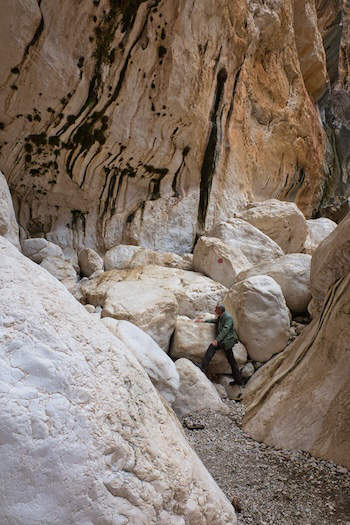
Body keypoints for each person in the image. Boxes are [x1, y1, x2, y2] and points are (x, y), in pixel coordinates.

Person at [196, 304, 244, 388]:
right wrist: (204, 321)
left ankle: (203, 366)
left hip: (228, 341)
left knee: (213, 346)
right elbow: (215, 321)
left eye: (216, 309)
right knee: (232, 361)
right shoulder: (221, 316)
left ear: (220, 310)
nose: (214, 310)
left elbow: (225, 330)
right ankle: (239, 380)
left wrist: (217, 340)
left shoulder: (228, 317)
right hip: (225, 341)